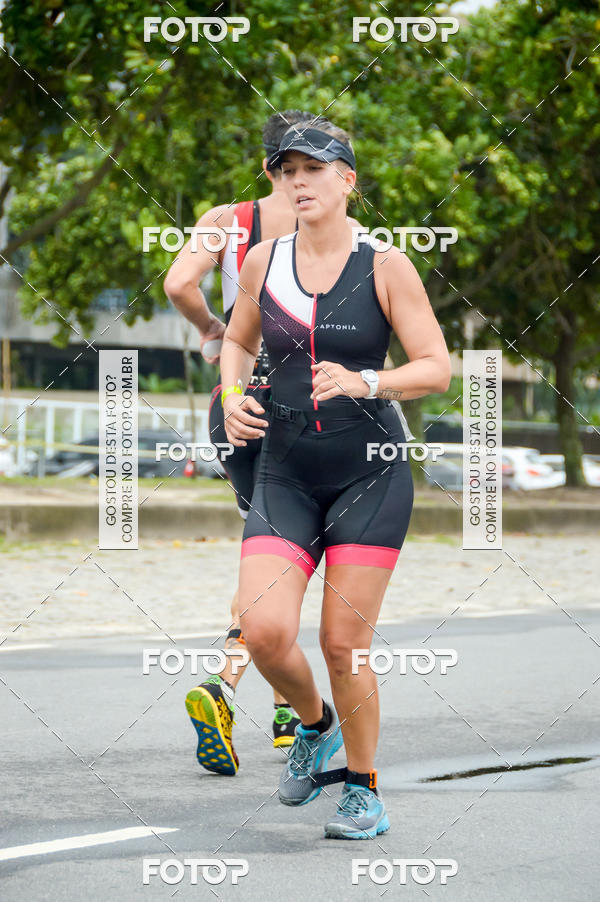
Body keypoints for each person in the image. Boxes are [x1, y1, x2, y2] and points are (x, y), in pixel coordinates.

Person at [219, 117, 451, 837]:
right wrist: (231, 398)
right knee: (261, 630)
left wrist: (365, 381)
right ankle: (314, 726)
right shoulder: (262, 262)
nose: (297, 181)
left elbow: (437, 369)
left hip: (370, 477)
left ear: (348, 179)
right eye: (284, 170)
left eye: (313, 168)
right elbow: (235, 338)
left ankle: (363, 788)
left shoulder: (387, 266)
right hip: (284, 474)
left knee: (342, 643)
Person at [164, 110, 317, 775]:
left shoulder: (228, 218)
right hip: (303, 407)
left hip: (235, 404)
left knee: (268, 548)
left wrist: (211, 334)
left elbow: (177, 282)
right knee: (293, 555)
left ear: (264, 165)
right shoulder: (334, 226)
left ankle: (275, 704)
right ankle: (233, 690)